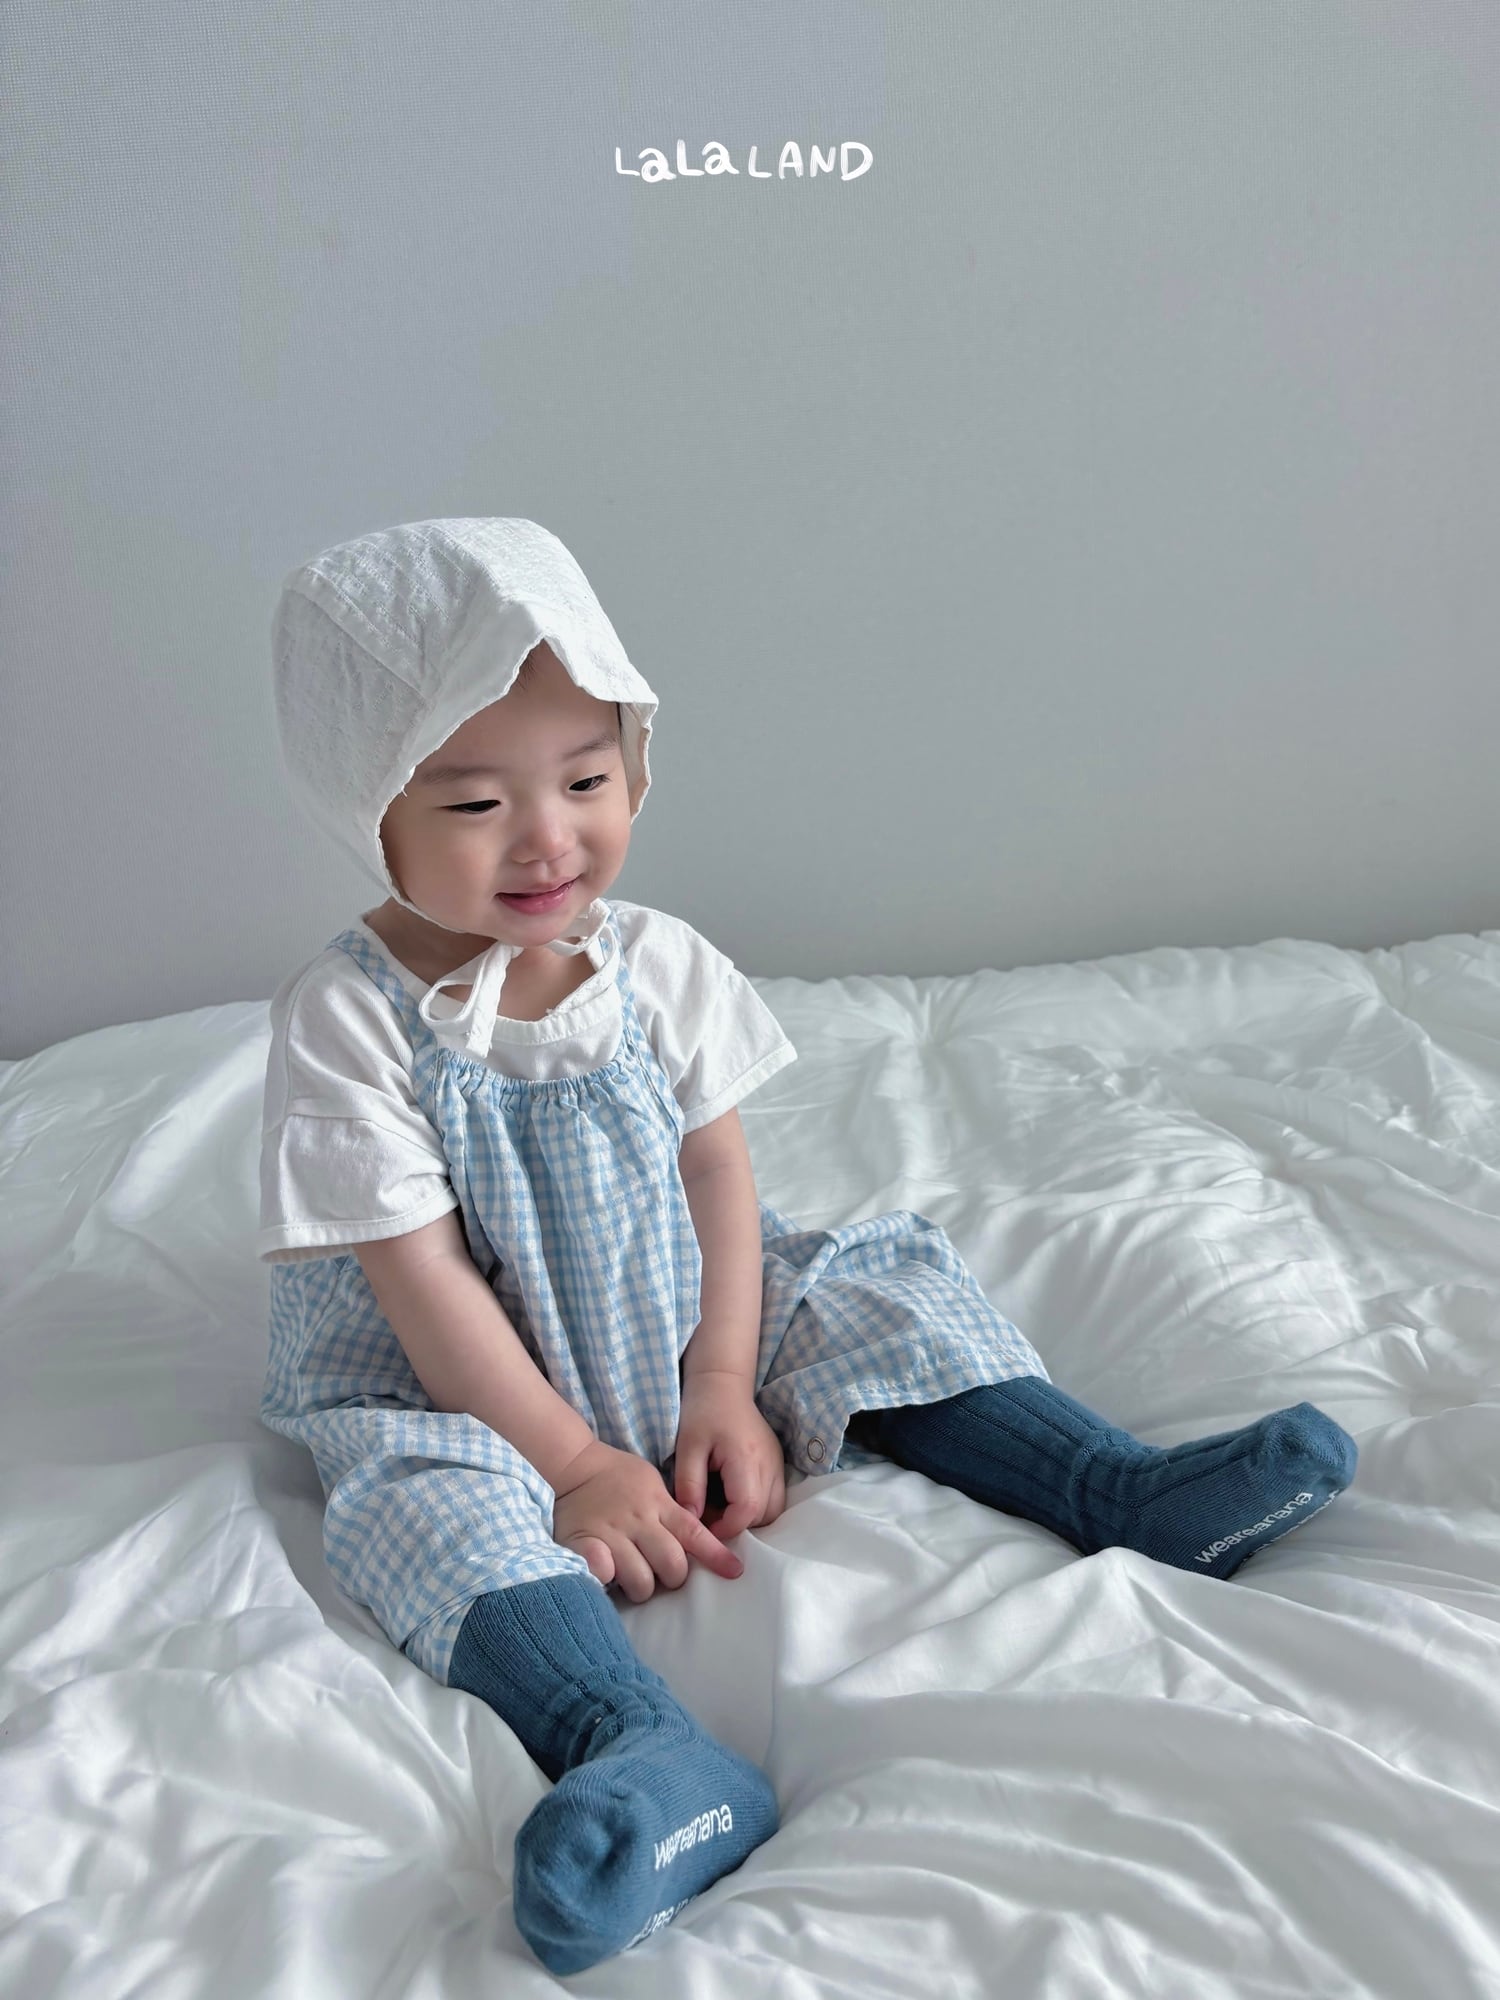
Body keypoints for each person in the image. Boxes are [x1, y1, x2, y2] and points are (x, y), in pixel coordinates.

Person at [257, 517, 1358, 1976]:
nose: (548, 839)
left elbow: (715, 1170)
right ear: (369, 811)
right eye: (473, 803)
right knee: (414, 1509)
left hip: (667, 1300)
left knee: (864, 1287)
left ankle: (1112, 1485)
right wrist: (575, 1465)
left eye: (587, 780)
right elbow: (425, 1284)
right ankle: (637, 1746)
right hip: (464, 1381)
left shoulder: (652, 961)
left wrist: (721, 1378)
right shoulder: (348, 1022)